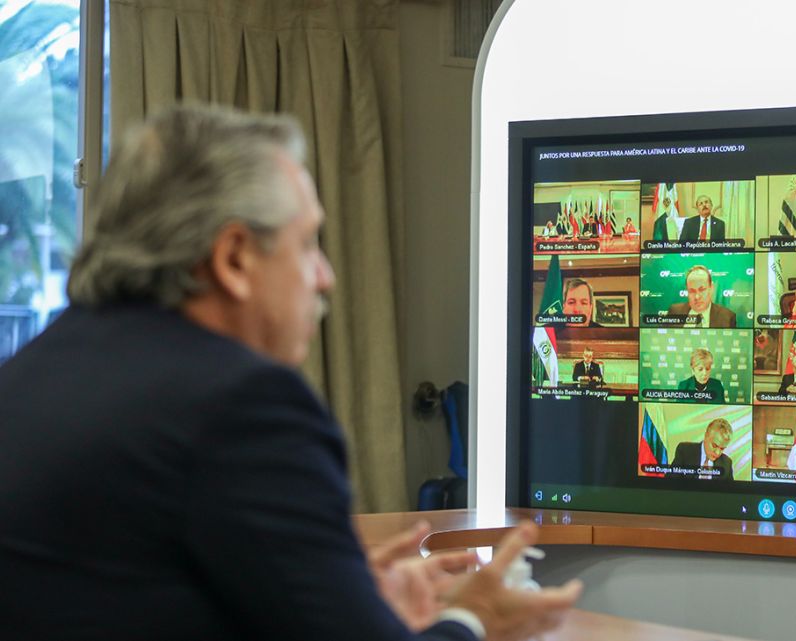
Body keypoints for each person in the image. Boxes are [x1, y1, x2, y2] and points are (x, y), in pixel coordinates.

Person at [0, 106, 581, 640]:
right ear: (234, 259)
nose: (325, 276)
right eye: (306, 245)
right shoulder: (241, 405)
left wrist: (339, 593)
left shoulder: (31, 372)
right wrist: (472, 620)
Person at [667, 265, 737, 328]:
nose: (697, 297)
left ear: (711, 288)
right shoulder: (674, 311)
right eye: (692, 291)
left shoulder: (727, 318)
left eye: (702, 290)